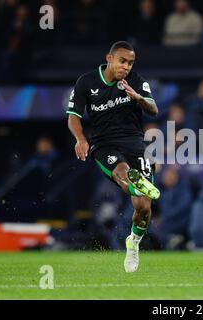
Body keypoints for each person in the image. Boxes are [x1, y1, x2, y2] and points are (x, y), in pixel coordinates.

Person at [66, 41, 160, 273]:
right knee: (121, 172)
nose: (126, 67)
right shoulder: (86, 82)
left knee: (143, 207)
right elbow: (73, 116)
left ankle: (133, 243)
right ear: (109, 58)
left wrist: (137, 97)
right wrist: (80, 139)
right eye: (122, 61)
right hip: (104, 144)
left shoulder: (136, 81)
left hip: (135, 144)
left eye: (130, 63)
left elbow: (153, 109)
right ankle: (136, 183)